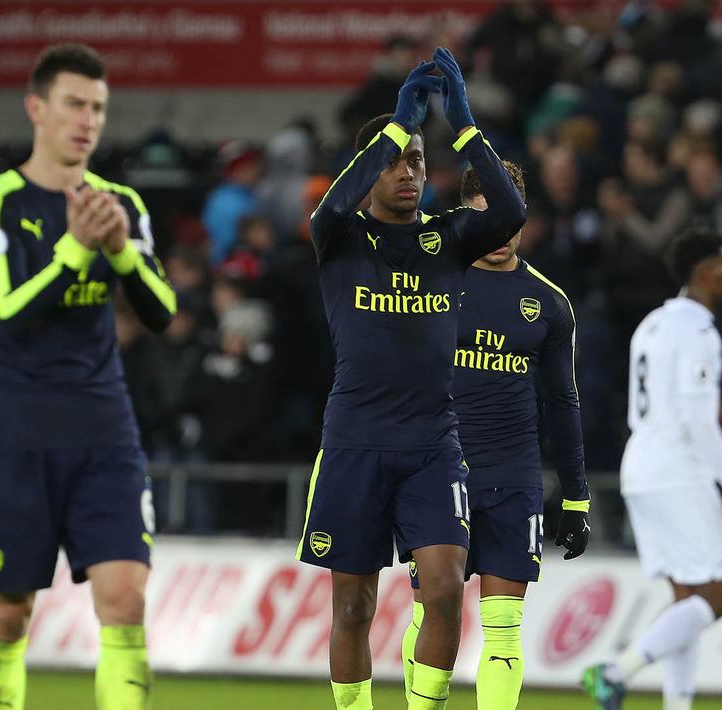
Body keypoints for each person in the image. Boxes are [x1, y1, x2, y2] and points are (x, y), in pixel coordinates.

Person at [299, 47, 526, 710]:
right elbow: (329, 206)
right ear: (370, 170)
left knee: (447, 587)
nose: (407, 172)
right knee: (351, 607)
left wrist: (463, 127)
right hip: (354, 442)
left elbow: (509, 212)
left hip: (432, 442)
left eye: (418, 162)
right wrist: (396, 126)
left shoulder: (448, 237)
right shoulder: (339, 238)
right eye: (396, 161)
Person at [0, 44, 176, 710]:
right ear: (37, 108)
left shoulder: (122, 205)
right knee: (9, 613)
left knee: (126, 598)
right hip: (19, 428)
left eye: (98, 109)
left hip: (103, 428)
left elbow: (162, 311)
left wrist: (118, 251)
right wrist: (75, 251)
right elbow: (6, 319)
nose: (88, 120)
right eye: (75, 104)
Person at [399, 161, 591, 709]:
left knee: (504, 626)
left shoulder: (549, 304)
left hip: (513, 475)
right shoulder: (432, 278)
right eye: (489, 220)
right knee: (433, 612)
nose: (503, 234)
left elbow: (563, 403)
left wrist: (576, 496)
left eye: (512, 221)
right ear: (465, 215)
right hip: (437, 472)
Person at [583, 223, 722, 710]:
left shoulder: (653, 323)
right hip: (680, 470)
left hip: (641, 466)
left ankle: (677, 706)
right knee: (719, 596)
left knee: (688, 599)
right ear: (705, 273)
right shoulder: (699, 332)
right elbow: (698, 422)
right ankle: (617, 670)